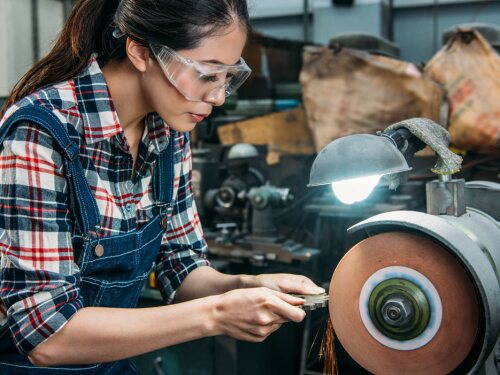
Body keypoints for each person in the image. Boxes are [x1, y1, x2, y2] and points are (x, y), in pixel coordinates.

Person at [0, 0, 324, 373]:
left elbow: (181, 266)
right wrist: (217, 314)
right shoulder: (42, 133)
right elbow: (47, 336)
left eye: (228, 78)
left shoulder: (168, 134)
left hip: (108, 365)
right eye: (206, 74)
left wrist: (246, 286)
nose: (218, 97)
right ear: (140, 50)